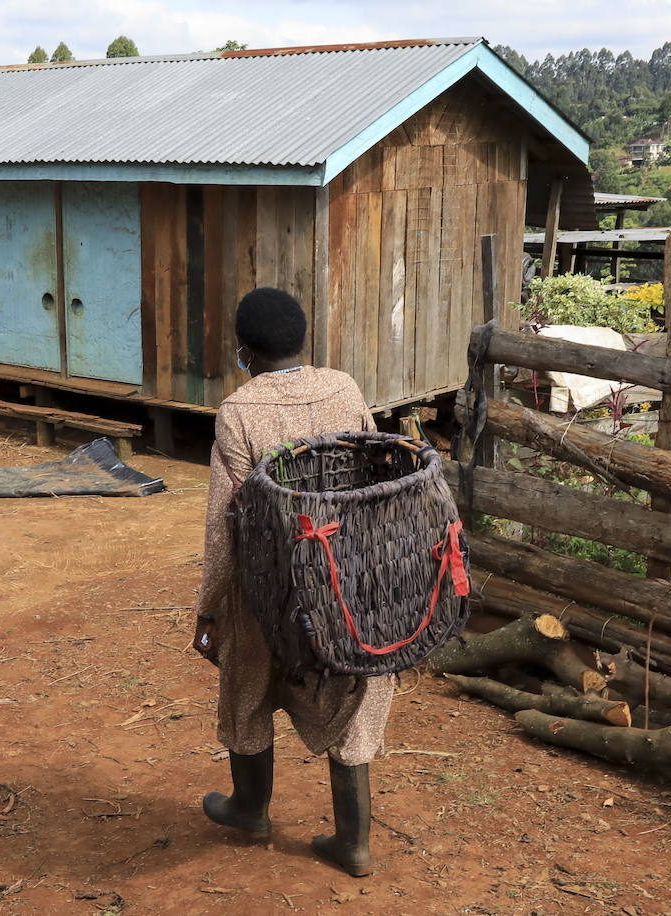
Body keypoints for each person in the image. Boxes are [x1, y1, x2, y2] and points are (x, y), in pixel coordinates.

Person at [191, 288, 393, 877]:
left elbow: (222, 525)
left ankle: (249, 809)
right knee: (351, 688)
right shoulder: (345, 388)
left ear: (244, 351)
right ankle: (352, 841)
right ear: (304, 339)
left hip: (268, 588)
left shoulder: (239, 412)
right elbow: (374, 471)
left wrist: (209, 609)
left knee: (247, 679)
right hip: (344, 582)